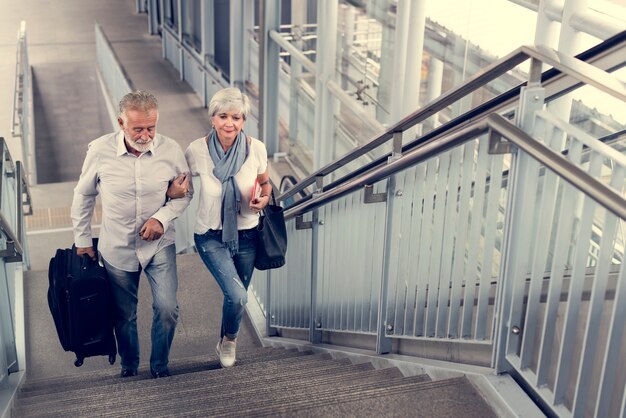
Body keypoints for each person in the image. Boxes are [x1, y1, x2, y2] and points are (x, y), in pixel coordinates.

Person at [71, 90, 192, 378]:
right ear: (121, 123)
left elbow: (186, 194)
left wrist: (161, 219)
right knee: (124, 316)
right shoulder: (99, 151)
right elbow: (83, 195)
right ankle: (129, 366)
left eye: (152, 127)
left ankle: (159, 367)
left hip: (159, 245)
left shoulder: (171, 150)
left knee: (167, 308)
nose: (146, 134)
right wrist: (82, 239)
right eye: (138, 128)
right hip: (117, 247)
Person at [167, 87, 271, 368]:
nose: (230, 123)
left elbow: (265, 182)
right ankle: (231, 342)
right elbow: (178, 183)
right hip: (210, 235)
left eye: (236, 117)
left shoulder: (256, 148)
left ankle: (224, 339)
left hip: (248, 233)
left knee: (235, 299)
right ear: (212, 118)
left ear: (243, 120)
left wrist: (263, 197)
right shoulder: (197, 150)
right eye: (223, 116)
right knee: (238, 295)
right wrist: (172, 194)